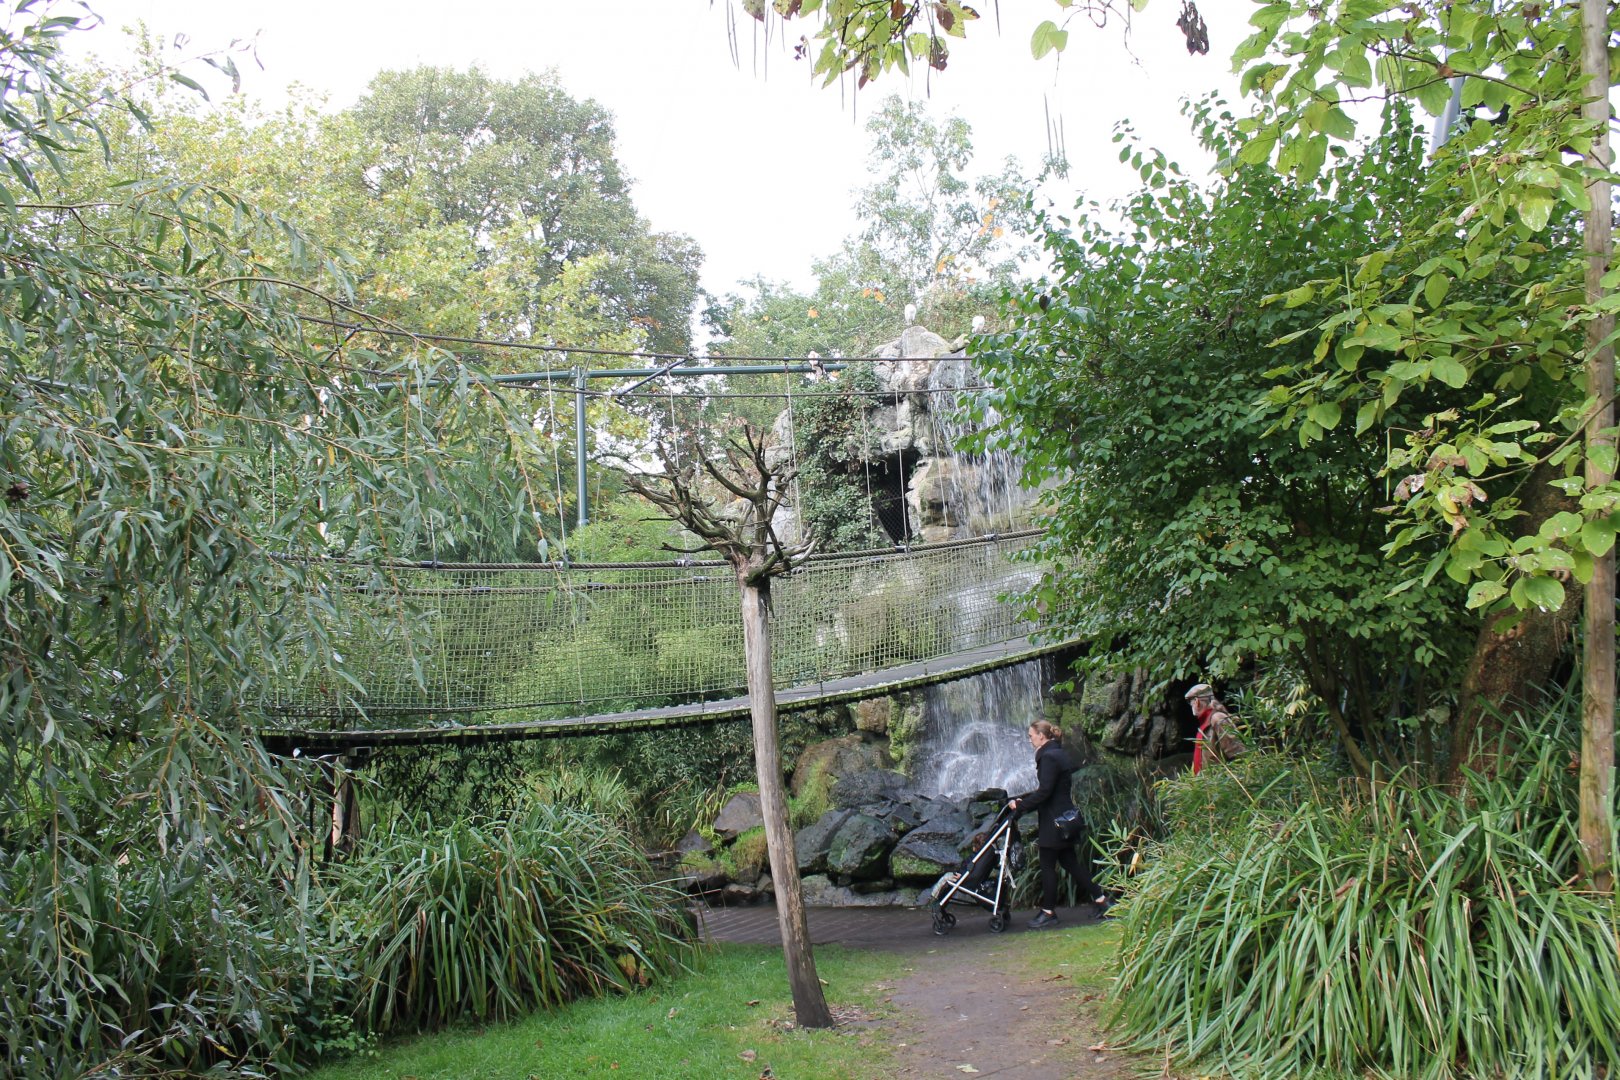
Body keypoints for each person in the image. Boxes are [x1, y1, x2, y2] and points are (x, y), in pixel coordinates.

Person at [1006, 719, 1106, 929]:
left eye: (1031, 735)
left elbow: (1045, 792)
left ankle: (1048, 912)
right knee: (1071, 863)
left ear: (1042, 736)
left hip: (1054, 821)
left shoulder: (1049, 757)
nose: (1030, 739)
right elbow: (1049, 790)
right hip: (1062, 817)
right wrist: (1026, 802)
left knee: (1047, 866)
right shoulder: (1057, 753)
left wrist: (1022, 806)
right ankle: (1101, 900)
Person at [1185, 682, 1244, 774]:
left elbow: (1237, 752)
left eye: (1190, 703)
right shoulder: (1206, 722)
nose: (1191, 706)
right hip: (1210, 783)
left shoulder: (1217, 718)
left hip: (1221, 782)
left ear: (1197, 701)